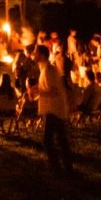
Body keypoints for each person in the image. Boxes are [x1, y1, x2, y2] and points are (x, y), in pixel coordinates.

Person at [36, 44, 73, 175]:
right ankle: (67, 168)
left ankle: (56, 168)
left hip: (54, 110)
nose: (34, 55)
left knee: (47, 141)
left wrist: (38, 92)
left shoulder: (49, 70)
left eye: (36, 52)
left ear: (42, 55)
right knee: (62, 140)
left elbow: (54, 91)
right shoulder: (45, 69)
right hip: (54, 109)